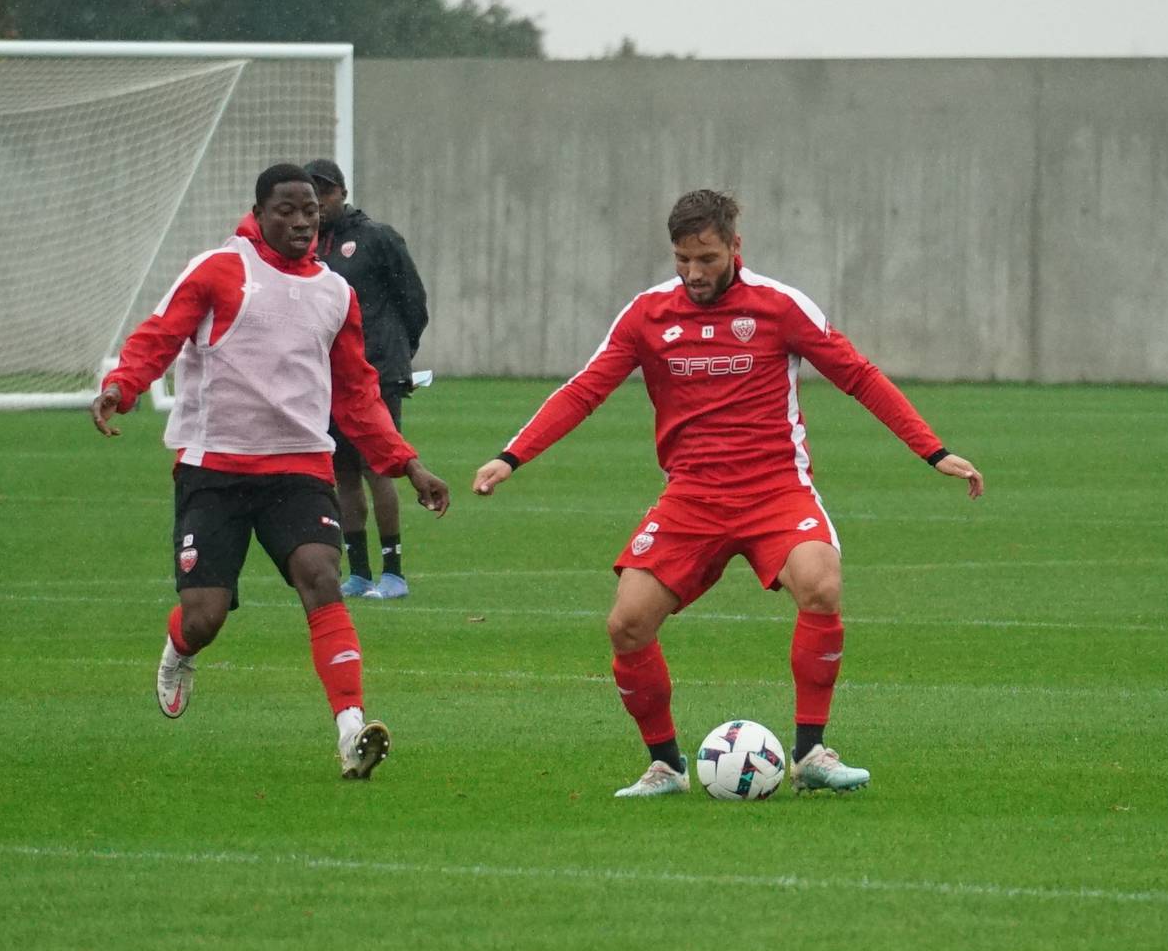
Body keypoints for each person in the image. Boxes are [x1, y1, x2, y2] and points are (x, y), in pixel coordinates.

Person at [471, 189, 984, 798]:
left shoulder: (779, 306)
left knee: (820, 584)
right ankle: (665, 765)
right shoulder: (646, 315)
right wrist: (512, 456)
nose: (694, 274)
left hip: (775, 490)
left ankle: (812, 754)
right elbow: (585, 390)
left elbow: (858, 375)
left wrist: (932, 449)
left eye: (708, 258)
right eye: (683, 259)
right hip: (691, 497)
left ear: (735, 247)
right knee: (627, 624)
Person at [90, 163, 451, 780]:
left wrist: (407, 464)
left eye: (310, 210)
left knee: (321, 577)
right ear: (258, 214)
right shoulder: (219, 270)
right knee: (205, 615)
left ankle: (350, 729)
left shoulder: (335, 292)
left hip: (299, 467)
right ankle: (180, 648)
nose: (301, 221)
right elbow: (161, 334)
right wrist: (121, 386)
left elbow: (358, 393)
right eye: (286, 210)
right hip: (215, 468)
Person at [305, 158, 430, 600]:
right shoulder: (309, 245)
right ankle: (358, 572)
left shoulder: (376, 238)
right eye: (311, 193)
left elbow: (413, 301)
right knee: (343, 474)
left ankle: (393, 572)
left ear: (342, 192)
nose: (318, 203)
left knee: (381, 467)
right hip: (329, 375)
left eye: (326, 192)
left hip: (378, 371)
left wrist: (398, 357)